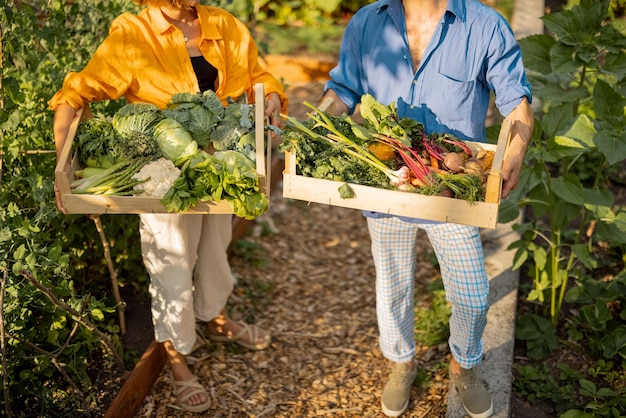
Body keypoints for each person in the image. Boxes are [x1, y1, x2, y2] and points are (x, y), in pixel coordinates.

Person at [49, 0, 288, 413]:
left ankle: (216, 315)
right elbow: (79, 91)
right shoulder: (134, 34)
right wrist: (62, 162)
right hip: (164, 175)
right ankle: (176, 357)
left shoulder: (222, 24)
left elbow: (258, 75)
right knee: (171, 261)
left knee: (216, 244)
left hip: (221, 167)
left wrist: (270, 99)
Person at [320, 0, 534, 417]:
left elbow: (515, 98)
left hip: (453, 187)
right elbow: (343, 89)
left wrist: (517, 150)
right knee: (393, 285)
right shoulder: (368, 22)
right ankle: (401, 362)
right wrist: (319, 127)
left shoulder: (483, 24)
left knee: (472, 296)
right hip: (388, 181)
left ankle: (464, 365)